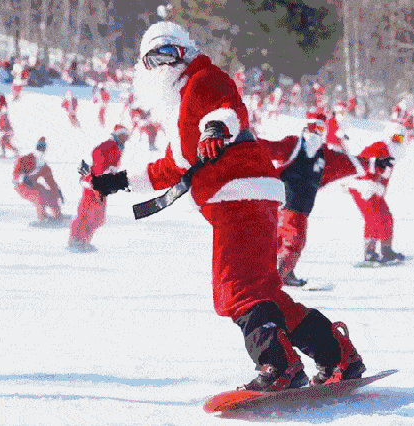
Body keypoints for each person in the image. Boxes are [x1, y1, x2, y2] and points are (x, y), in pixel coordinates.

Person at [89, 21, 366, 391]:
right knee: (264, 291)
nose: (163, 65)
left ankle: (278, 364)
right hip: (244, 195)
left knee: (236, 289)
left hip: (238, 193)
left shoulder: (204, 77)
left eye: (169, 53)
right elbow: (173, 166)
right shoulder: (179, 107)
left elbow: (228, 107)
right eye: (152, 59)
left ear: (185, 51)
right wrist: (118, 181)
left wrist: (216, 128)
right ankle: (337, 355)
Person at [259, 110, 372, 287]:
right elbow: (270, 148)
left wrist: (372, 163)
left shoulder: (324, 154)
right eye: (309, 127)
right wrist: (247, 142)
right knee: (293, 241)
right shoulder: (294, 144)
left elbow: (347, 163)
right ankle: (275, 280)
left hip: (300, 207)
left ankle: (283, 273)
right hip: (288, 203)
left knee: (282, 242)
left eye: (318, 127)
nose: (313, 132)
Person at [347, 122, 406, 264]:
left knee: (386, 216)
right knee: (373, 218)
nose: (397, 142)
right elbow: (362, 162)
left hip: (375, 189)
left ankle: (386, 250)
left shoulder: (392, 153)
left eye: (401, 139)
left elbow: (384, 175)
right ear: (388, 136)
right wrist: (369, 180)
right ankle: (370, 253)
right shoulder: (378, 147)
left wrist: (380, 188)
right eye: (395, 138)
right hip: (362, 187)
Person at [68, 125, 130, 253]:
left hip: (98, 184)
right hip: (95, 183)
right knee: (92, 214)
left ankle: (80, 240)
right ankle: (78, 240)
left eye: (127, 136)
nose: (126, 138)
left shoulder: (117, 147)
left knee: (95, 216)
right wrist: (102, 174)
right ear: (118, 135)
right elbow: (97, 155)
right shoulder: (110, 145)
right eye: (124, 135)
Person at [12, 137, 63, 223]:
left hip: (33, 185)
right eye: (40, 149)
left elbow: (50, 181)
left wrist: (57, 191)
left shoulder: (44, 166)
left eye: (43, 149)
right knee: (39, 195)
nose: (41, 152)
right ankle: (42, 217)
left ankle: (57, 216)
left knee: (50, 193)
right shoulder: (24, 159)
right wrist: (23, 177)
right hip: (22, 186)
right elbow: (16, 175)